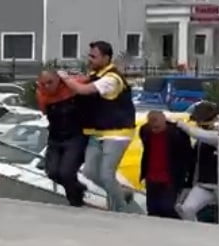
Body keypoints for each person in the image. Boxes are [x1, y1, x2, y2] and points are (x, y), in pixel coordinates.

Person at [59, 41, 137, 212]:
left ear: (106, 58)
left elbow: (83, 90)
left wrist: (65, 78)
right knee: (89, 172)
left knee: (106, 174)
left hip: (117, 133)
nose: (90, 59)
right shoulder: (96, 73)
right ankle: (121, 192)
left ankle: (122, 211)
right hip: (98, 132)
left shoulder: (111, 78)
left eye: (94, 56)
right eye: (90, 55)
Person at [177, 102, 219, 225]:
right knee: (187, 209)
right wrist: (188, 185)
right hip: (206, 183)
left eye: (199, 119)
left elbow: (216, 139)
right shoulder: (202, 136)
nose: (197, 123)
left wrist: (186, 128)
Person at [37, 69, 87, 207]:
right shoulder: (41, 94)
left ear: (58, 80)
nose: (47, 86)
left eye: (50, 82)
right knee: (52, 172)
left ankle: (75, 202)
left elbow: (89, 84)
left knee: (66, 172)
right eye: (44, 84)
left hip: (75, 137)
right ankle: (77, 188)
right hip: (55, 138)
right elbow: (44, 112)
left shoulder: (72, 85)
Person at [138, 111, 194, 219]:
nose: (155, 129)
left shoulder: (178, 134)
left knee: (168, 208)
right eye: (152, 126)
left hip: (170, 178)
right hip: (151, 177)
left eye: (157, 126)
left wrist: (188, 178)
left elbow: (188, 156)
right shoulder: (145, 131)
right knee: (152, 209)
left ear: (164, 120)